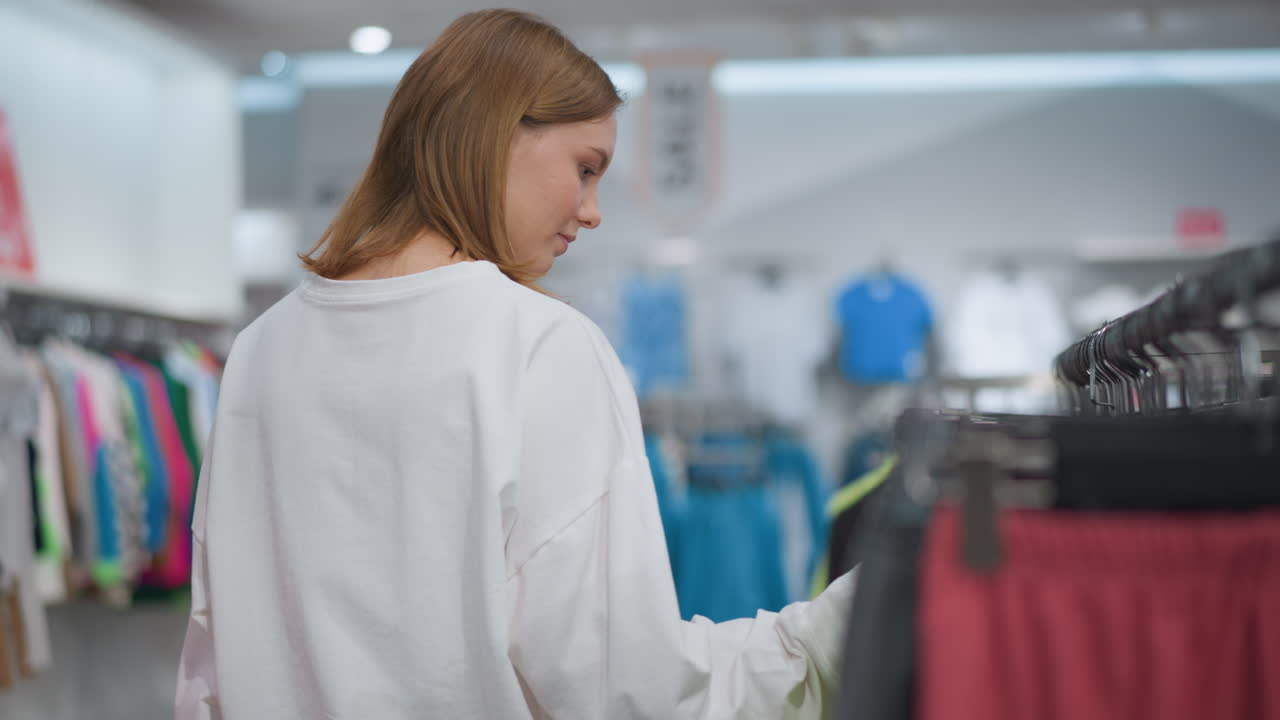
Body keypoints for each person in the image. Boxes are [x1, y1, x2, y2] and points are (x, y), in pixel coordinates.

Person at [175, 9, 855, 719]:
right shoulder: (541, 345)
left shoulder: (259, 350)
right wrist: (820, 641)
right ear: (497, 131)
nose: (592, 212)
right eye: (585, 168)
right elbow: (620, 687)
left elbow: (209, 660)